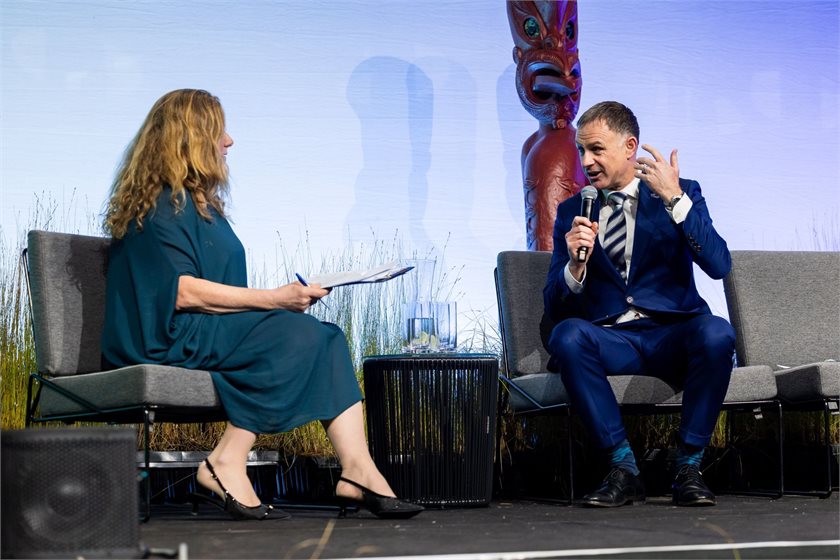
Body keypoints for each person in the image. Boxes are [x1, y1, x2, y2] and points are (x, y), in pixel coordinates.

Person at [101, 88, 423, 521]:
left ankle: (358, 470)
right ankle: (225, 462)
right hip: (165, 336)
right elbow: (183, 292)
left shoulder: (202, 206)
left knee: (327, 337)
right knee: (294, 332)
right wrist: (274, 300)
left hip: (204, 329)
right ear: (191, 138)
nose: (229, 141)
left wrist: (276, 303)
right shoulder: (160, 207)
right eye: (220, 132)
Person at [542, 101, 735, 507]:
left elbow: (719, 265)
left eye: (596, 149)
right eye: (581, 151)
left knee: (717, 332)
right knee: (568, 335)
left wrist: (676, 199)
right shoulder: (572, 211)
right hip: (613, 340)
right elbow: (553, 308)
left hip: (672, 335)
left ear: (630, 146)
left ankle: (688, 468)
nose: (586, 161)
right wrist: (575, 269)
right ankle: (623, 468)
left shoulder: (681, 194)